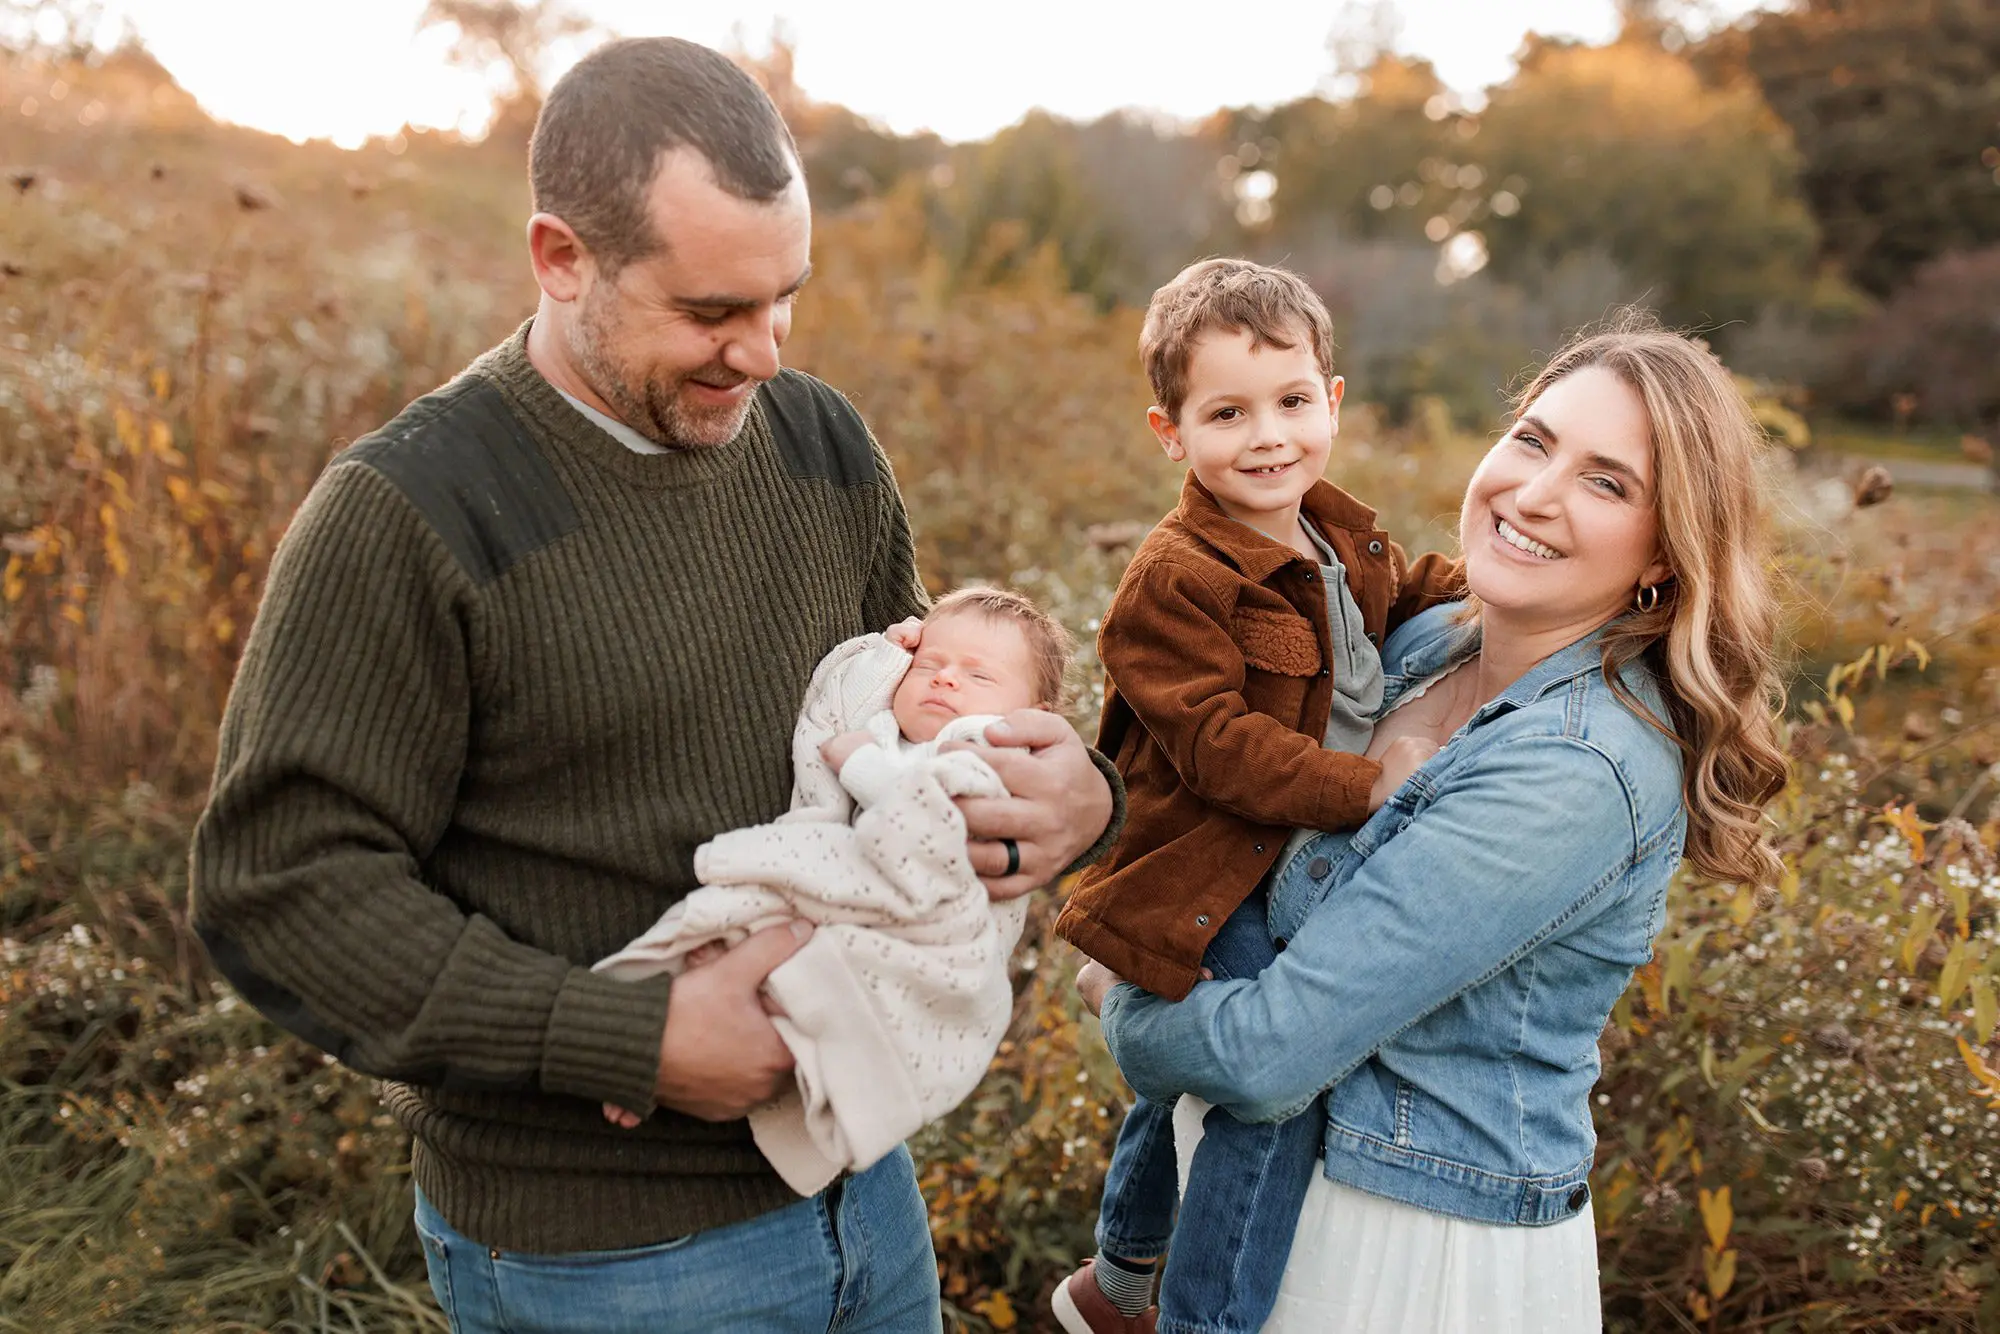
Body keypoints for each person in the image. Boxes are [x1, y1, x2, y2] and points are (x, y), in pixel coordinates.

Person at [188, 36, 1119, 1334]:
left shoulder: (820, 442)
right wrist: (624, 1035)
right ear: (562, 258)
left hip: (863, 1184)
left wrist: (1078, 797)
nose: (763, 352)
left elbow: (905, 715)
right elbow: (279, 886)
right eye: (710, 313)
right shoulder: (408, 511)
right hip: (605, 1257)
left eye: (784, 297)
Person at [1079, 316, 1789, 1333]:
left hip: (1410, 1258)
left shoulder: (1576, 767)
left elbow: (1263, 1053)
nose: (1533, 493)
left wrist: (1117, 985)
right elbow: (1195, 768)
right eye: (1533, 440)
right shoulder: (1412, 641)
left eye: (1606, 482)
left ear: (1665, 556)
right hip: (1254, 1219)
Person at [1050, 258, 1460, 1334]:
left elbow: (1408, 588)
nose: (1267, 435)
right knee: (1269, 1080)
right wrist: (1368, 786)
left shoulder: (1337, 533)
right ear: (1169, 431)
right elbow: (1219, 748)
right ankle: (1205, 1316)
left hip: (1286, 861)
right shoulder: (1172, 579)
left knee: (1183, 1081)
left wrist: (1505, 586)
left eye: (1289, 403)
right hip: (1204, 869)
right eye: (1226, 412)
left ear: (1331, 403)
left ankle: (1117, 1277)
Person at [593, 589, 1076, 1204]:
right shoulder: (887, 730)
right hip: (818, 895)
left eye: (977, 675)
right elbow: (834, 706)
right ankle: (641, 1042)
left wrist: (864, 767)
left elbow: (937, 827)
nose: (946, 681)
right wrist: (881, 658)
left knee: (823, 1018)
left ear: (1035, 712)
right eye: (930, 665)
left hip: (905, 932)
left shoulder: (995, 756)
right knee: (704, 931)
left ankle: (688, 1080)